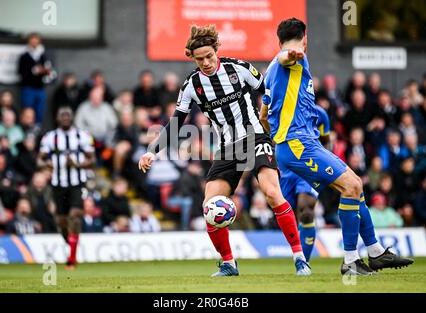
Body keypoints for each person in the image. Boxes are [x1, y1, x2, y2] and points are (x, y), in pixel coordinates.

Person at [139, 24, 311, 276]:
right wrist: (152, 152)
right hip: (227, 148)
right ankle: (229, 263)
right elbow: (176, 123)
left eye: (209, 56)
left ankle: (299, 257)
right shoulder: (191, 85)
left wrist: (279, 122)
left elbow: (270, 92)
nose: (206, 62)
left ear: (216, 50)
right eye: (200, 59)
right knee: (209, 206)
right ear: (192, 58)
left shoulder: (238, 68)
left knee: (273, 193)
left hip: (255, 137)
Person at [260, 17, 413, 275]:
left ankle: (374, 252)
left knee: (355, 187)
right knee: (352, 186)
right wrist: (291, 53)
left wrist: (278, 136)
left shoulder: (272, 73)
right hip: (298, 144)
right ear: (305, 38)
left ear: (278, 39)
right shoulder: (290, 59)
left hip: (297, 145)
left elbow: (263, 115)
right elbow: (287, 56)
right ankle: (351, 260)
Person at [38, 107, 95, 269]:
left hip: (77, 183)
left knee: (75, 216)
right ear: (57, 118)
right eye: (62, 116)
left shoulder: (82, 136)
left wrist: (77, 164)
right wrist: (46, 163)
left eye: (68, 115)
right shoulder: (50, 137)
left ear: (72, 118)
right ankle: (71, 246)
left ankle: (72, 258)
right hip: (58, 184)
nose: (65, 118)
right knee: (61, 221)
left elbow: (92, 160)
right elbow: (39, 160)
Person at [277, 105, 330, 262]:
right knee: (286, 211)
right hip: (285, 168)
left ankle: (303, 261)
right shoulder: (278, 109)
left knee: (306, 210)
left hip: (308, 166)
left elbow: (326, 142)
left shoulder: (320, 114)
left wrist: (324, 169)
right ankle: (300, 247)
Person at [18, 33, 55, 125]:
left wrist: (45, 72)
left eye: (36, 40)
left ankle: (37, 128)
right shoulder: (24, 56)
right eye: (32, 39)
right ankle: (27, 127)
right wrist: (34, 71)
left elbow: (50, 71)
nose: (34, 42)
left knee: (40, 111)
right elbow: (20, 72)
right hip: (28, 88)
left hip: (40, 88)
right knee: (28, 110)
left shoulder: (43, 56)